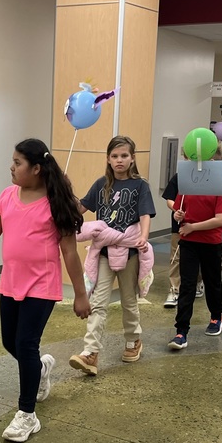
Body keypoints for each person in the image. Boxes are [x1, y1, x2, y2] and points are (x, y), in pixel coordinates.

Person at [0, 139, 90, 443]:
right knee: (11, 343)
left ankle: (27, 415)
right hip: (11, 282)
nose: (12, 166)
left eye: (18, 162)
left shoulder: (55, 203)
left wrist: (81, 294)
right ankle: (41, 369)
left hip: (41, 286)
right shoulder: (8, 196)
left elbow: (70, 254)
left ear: (36, 168)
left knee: (26, 343)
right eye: (13, 161)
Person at [69, 136, 155, 375]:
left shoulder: (140, 186)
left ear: (132, 158)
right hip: (104, 253)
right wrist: (64, 205)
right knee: (98, 303)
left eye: (124, 156)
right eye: (115, 156)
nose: (119, 160)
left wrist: (144, 237)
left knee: (129, 301)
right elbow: (82, 207)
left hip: (129, 252)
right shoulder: (101, 185)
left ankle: (133, 340)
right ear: (108, 159)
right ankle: (91, 353)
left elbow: (146, 213)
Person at [167, 177, 222, 349]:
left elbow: (220, 219)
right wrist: (178, 215)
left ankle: (217, 316)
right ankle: (181, 331)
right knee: (187, 284)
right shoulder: (188, 185)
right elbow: (178, 210)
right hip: (189, 241)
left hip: (211, 242)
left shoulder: (220, 186)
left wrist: (193, 227)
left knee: (212, 282)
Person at [161, 168, 203, 307]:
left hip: (201, 224)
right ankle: (174, 289)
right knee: (176, 256)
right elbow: (169, 199)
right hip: (179, 223)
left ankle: (198, 281)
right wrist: (177, 209)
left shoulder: (209, 178)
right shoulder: (179, 176)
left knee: (199, 255)